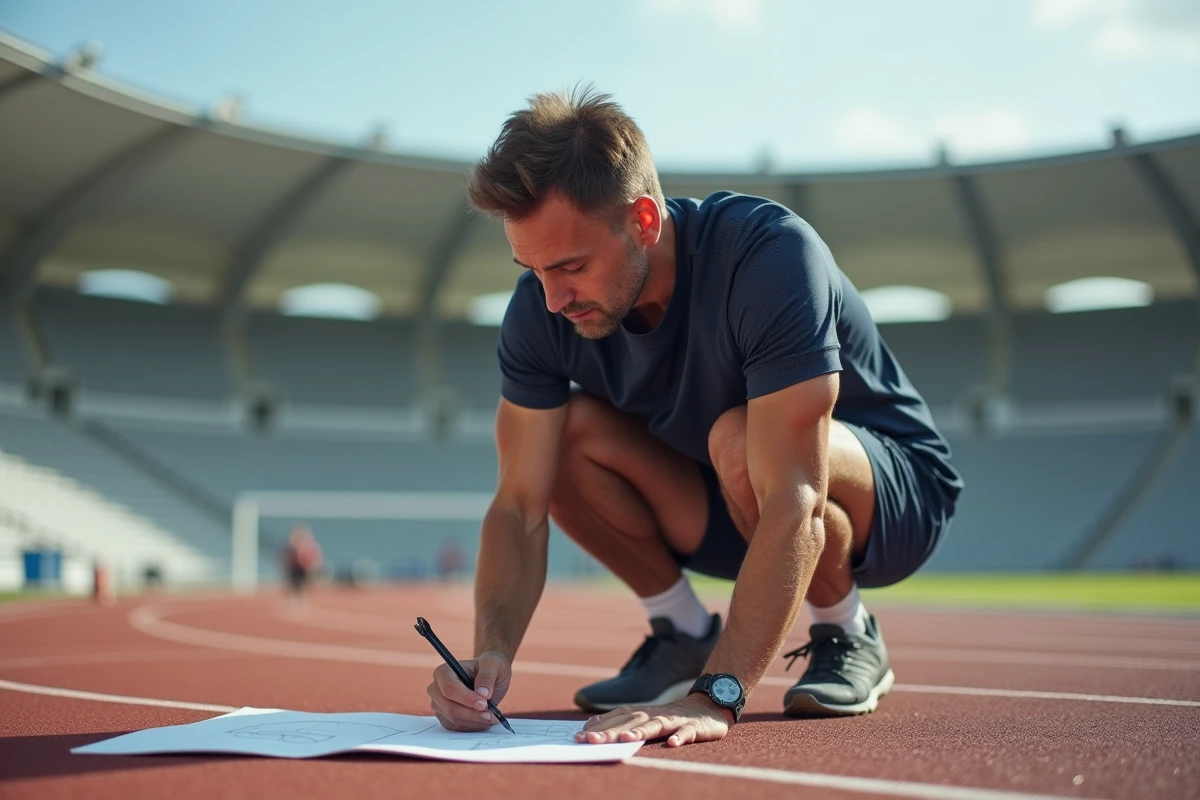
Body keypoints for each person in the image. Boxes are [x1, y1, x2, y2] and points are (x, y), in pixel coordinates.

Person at [426, 86, 963, 748]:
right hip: (725, 497)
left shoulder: (767, 258)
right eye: (532, 269)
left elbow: (794, 497)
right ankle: (681, 631)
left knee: (738, 438)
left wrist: (718, 697)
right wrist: (489, 653)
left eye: (570, 266)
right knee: (566, 434)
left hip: (887, 493)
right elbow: (517, 505)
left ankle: (846, 631)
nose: (552, 297)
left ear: (644, 222)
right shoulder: (541, 311)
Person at [281, 524, 322, 599]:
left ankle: (300, 597)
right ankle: (296, 598)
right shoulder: (292, 547)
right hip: (295, 567)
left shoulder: (309, 545)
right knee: (294, 584)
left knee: (301, 584)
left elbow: (315, 555)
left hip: (302, 568)